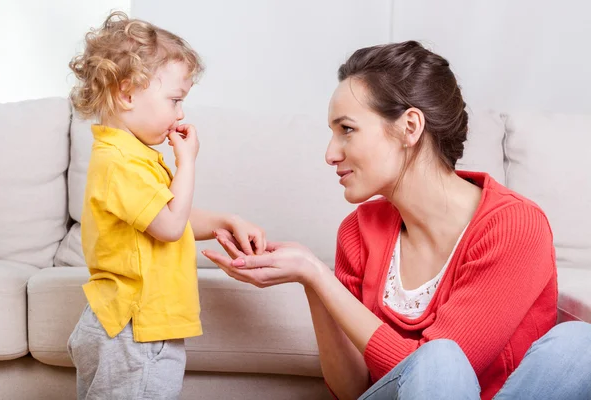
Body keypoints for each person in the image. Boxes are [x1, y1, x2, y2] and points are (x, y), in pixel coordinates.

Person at [204, 41, 591, 400]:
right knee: (440, 359)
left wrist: (320, 276)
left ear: (409, 127)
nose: (330, 153)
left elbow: (451, 374)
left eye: (347, 130)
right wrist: (313, 281)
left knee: (578, 346)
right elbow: (351, 388)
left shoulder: (513, 226)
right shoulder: (357, 231)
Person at [66, 11, 266, 399]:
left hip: (127, 328)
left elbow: (164, 218)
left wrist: (225, 220)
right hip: (135, 331)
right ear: (127, 94)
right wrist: (187, 162)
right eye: (175, 100)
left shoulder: (130, 157)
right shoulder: (121, 163)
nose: (180, 113)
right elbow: (172, 226)